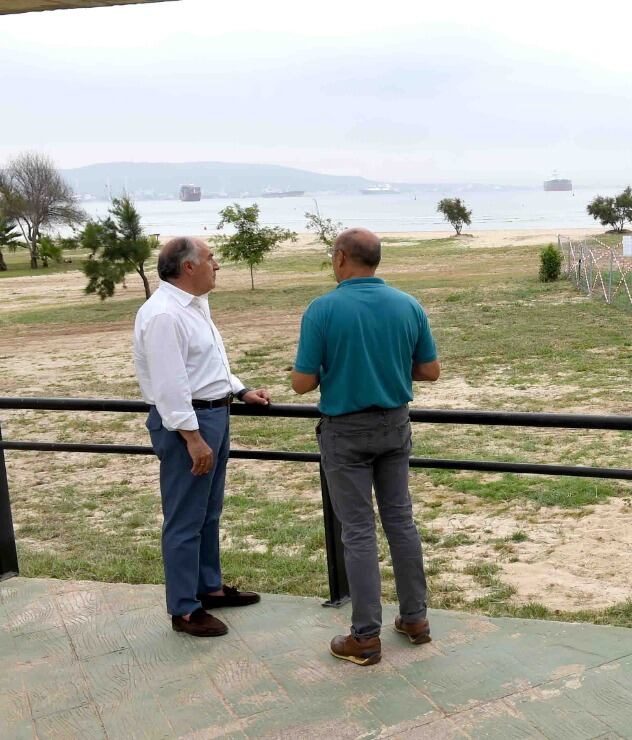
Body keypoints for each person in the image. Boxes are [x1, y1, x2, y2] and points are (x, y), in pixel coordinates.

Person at [291, 227, 440, 666]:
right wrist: (388, 367)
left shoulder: (322, 309)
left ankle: (365, 636)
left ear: (340, 258)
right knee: (401, 522)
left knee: (357, 531)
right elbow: (430, 371)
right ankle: (415, 619)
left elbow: (301, 383)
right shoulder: (408, 305)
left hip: (346, 432)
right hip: (395, 425)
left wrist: (336, 370)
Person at [133, 237, 270, 638]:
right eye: (211, 258)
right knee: (184, 519)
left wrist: (240, 390)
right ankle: (184, 609)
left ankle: (208, 587)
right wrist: (192, 438)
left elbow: (208, 363)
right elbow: (170, 384)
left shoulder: (193, 305)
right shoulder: (164, 314)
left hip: (214, 415)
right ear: (188, 267)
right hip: (188, 424)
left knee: (208, 512)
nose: (217, 265)